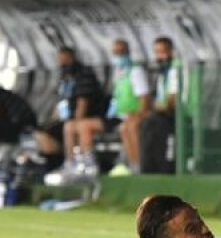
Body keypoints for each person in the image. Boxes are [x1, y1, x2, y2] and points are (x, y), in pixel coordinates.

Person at [36, 47, 108, 173]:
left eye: (65, 61)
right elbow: (61, 102)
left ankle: (71, 163)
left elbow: (83, 103)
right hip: (69, 117)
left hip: (89, 116)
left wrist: (76, 120)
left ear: (72, 59)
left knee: (71, 127)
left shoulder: (83, 75)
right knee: (42, 132)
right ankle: (59, 163)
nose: (62, 64)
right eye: (60, 61)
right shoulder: (66, 78)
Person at [103, 40, 153, 175]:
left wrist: (139, 114)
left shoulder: (135, 71)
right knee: (125, 126)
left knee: (129, 126)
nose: (118, 56)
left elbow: (145, 98)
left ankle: (139, 166)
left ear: (128, 53)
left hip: (135, 114)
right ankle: (133, 165)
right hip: (119, 115)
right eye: (115, 53)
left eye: (121, 52)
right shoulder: (118, 73)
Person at [139, 37, 181, 175]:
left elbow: (172, 101)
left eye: (162, 52)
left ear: (171, 52)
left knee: (152, 123)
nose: (159, 56)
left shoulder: (176, 69)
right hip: (163, 113)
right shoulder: (163, 73)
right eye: (156, 52)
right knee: (146, 123)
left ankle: (164, 168)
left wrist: (156, 107)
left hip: (176, 114)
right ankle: (146, 168)